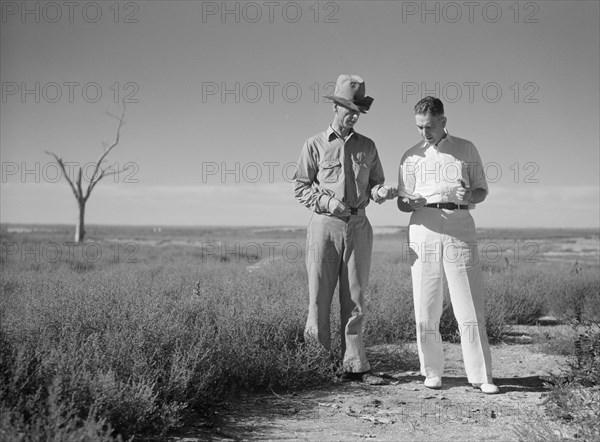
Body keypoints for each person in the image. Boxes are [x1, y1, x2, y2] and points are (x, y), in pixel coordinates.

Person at [293, 74, 397, 382]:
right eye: (348, 108)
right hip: (325, 227)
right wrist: (327, 204)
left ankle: (354, 367)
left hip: (359, 224)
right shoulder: (314, 144)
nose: (353, 115)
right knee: (319, 297)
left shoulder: (368, 146)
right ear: (336, 106)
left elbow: (375, 187)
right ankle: (318, 366)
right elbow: (300, 188)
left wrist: (382, 193)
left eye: (358, 110)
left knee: (355, 298)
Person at [397, 96, 499, 394]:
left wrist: (471, 196)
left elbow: (481, 191)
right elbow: (403, 203)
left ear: (443, 121)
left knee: (469, 302)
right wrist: (409, 202)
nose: (424, 133)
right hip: (423, 225)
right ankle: (431, 371)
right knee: (425, 302)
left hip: (459, 223)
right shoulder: (409, 156)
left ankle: (482, 376)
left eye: (429, 126)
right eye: (419, 127)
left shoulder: (466, 148)